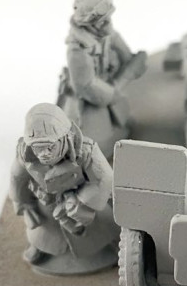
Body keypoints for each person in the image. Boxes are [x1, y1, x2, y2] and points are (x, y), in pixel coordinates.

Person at [10, 103, 119, 272]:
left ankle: (113, 243)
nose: (44, 154)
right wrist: (23, 203)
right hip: (47, 203)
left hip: (81, 198)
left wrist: (81, 200)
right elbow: (17, 178)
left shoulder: (85, 151)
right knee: (44, 231)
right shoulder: (25, 156)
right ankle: (40, 247)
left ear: (65, 139)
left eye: (50, 147)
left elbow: (105, 179)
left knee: (99, 227)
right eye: (38, 148)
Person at [57, 0, 147, 158]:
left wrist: (133, 62)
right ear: (88, 25)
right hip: (89, 100)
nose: (107, 23)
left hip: (107, 86)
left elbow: (126, 56)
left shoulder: (105, 31)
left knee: (122, 121)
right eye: (102, 21)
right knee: (95, 144)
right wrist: (126, 76)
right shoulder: (77, 50)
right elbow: (87, 87)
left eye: (108, 18)